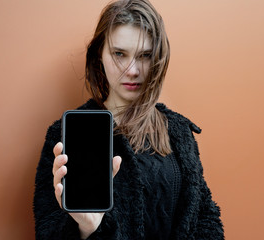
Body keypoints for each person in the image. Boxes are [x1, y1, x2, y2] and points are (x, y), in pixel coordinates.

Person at [33, 0, 224, 239]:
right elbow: (48, 230)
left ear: (158, 59)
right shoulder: (64, 135)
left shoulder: (178, 132)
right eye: (119, 54)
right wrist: (86, 229)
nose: (132, 70)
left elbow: (205, 217)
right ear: (99, 55)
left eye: (144, 55)